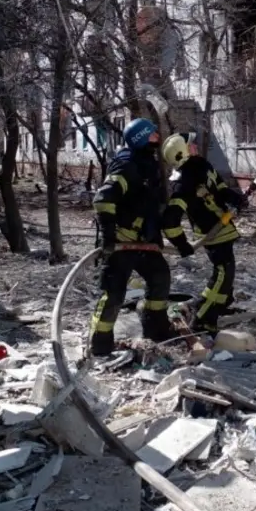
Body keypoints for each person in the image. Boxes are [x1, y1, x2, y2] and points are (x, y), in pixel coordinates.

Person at [90, 118, 173, 353]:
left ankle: (155, 328)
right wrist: (108, 236)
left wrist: (155, 234)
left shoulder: (147, 164)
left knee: (160, 277)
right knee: (114, 294)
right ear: (140, 137)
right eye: (153, 135)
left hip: (143, 243)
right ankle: (100, 342)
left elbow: (149, 204)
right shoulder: (127, 166)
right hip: (121, 242)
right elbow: (103, 199)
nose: (157, 138)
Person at [161, 132, 247, 334]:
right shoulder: (184, 182)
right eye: (190, 144)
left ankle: (215, 304)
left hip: (223, 227)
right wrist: (182, 244)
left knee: (224, 273)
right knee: (224, 273)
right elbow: (170, 219)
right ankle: (203, 320)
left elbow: (220, 188)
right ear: (182, 153)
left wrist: (236, 199)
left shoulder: (202, 166)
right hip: (211, 232)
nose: (195, 145)